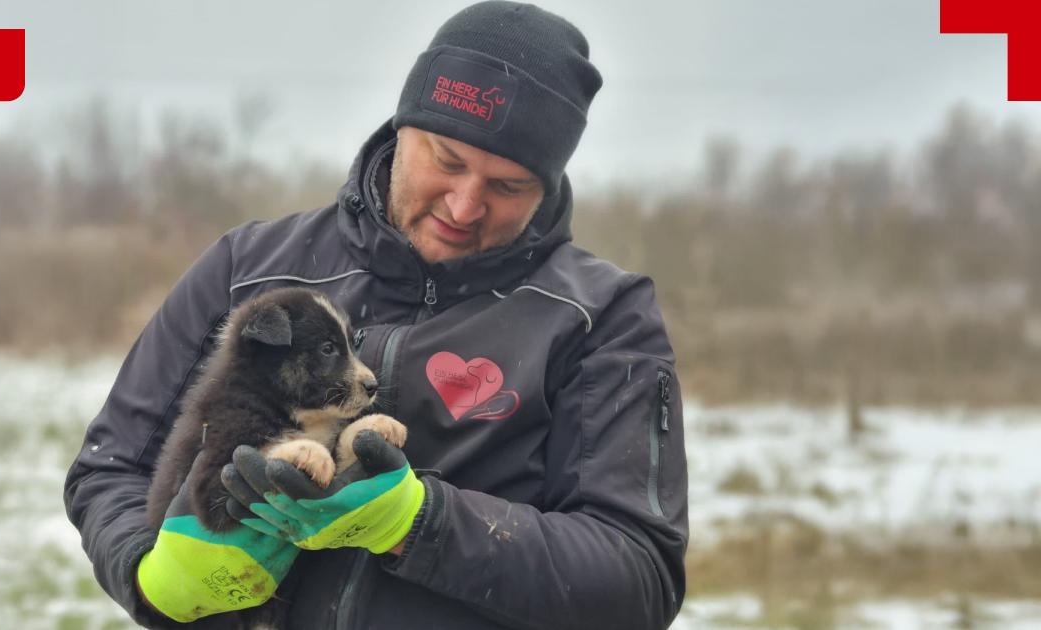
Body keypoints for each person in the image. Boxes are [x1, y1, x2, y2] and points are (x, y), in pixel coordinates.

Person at [63, 2, 689, 628]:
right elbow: (110, 466)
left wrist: (421, 525)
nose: (464, 206)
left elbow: (638, 578)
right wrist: (150, 576)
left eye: (508, 186)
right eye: (447, 161)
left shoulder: (599, 317)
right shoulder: (247, 269)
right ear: (402, 128)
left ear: (547, 184)